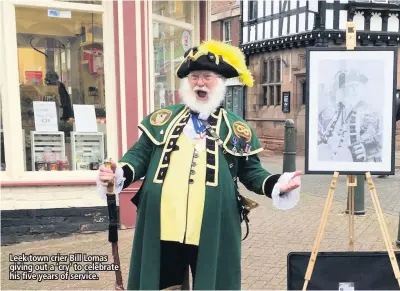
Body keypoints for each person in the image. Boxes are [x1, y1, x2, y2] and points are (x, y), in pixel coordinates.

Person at [97, 40, 302, 290]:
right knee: (163, 282)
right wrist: (117, 173)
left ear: (220, 83)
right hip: (163, 222)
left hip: (213, 224)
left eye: (207, 76)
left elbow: (251, 171)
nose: (200, 83)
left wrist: (276, 184)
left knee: (212, 282)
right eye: (194, 77)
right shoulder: (164, 119)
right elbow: (139, 156)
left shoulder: (235, 127)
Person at [318, 70, 383, 163]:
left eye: (356, 86)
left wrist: (368, 148)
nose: (354, 90)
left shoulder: (371, 111)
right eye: (349, 87)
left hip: (363, 162)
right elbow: (320, 132)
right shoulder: (334, 111)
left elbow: (382, 135)